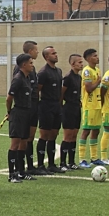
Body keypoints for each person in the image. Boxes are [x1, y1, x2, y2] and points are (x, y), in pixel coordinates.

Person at [6, 54, 34, 182]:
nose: (32, 65)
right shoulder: (18, 79)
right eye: (30, 63)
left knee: (24, 142)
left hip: (27, 113)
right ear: (24, 65)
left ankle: (21, 171)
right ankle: (12, 174)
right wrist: (9, 112)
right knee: (15, 144)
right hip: (18, 113)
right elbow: (9, 97)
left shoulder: (27, 78)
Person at [36, 46, 64, 174]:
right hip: (46, 106)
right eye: (53, 53)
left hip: (56, 106)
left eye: (56, 52)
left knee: (54, 134)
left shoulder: (58, 71)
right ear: (46, 57)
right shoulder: (43, 73)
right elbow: (37, 90)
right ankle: (41, 165)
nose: (56, 55)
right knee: (44, 135)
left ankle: (52, 164)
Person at [13, 41, 40, 174]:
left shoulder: (32, 69)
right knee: (23, 137)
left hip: (33, 104)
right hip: (24, 107)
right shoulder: (20, 69)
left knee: (29, 136)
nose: (37, 52)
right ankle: (20, 168)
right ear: (30, 51)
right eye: (36, 50)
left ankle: (29, 166)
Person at [78, 48, 104, 168]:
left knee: (96, 131)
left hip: (97, 105)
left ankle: (94, 157)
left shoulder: (97, 70)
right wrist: (98, 81)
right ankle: (82, 158)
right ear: (88, 58)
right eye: (94, 56)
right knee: (86, 131)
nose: (97, 57)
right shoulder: (87, 71)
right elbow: (88, 89)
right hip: (89, 105)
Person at [60, 53, 83, 169]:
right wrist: (61, 107)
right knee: (67, 136)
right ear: (72, 63)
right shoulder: (68, 77)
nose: (81, 64)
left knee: (74, 135)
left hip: (76, 108)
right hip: (68, 108)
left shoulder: (79, 77)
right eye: (79, 62)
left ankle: (72, 162)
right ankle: (63, 163)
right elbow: (62, 93)